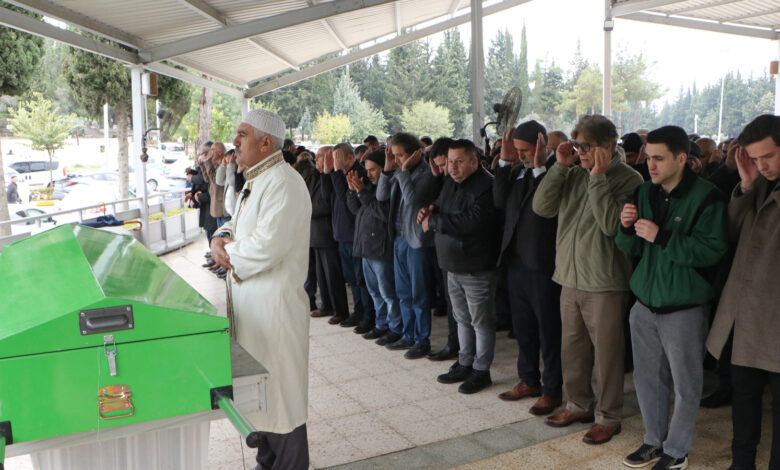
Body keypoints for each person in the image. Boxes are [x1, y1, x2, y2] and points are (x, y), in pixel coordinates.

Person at [616, 125, 727, 470]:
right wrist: (624, 227)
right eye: (648, 158)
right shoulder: (644, 192)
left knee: (685, 383)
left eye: (659, 158)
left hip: (683, 306)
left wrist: (663, 237)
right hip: (644, 304)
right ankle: (654, 440)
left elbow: (713, 251)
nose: (650, 165)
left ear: (682, 158)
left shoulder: (708, 197)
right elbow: (631, 246)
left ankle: (676, 450)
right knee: (646, 378)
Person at [210, 109, 311, 470]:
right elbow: (236, 225)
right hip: (254, 313)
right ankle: (266, 461)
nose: (234, 142)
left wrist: (225, 252)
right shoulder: (258, 180)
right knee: (260, 400)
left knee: (281, 402)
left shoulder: (284, 183)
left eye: (242, 134)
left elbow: (267, 246)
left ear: (266, 142)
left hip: (275, 313)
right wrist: (221, 236)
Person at [533, 114, 643, 445]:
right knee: (573, 349)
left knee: (607, 354)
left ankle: (608, 416)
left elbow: (612, 226)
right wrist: (560, 167)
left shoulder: (630, 179)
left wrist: (597, 177)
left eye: (587, 146)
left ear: (608, 146)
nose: (581, 151)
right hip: (569, 276)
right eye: (577, 145)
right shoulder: (572, 171)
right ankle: (578, 404)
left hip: (605, 281)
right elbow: (542, 208)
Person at [706, 114, 780, 470]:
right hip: (745, 315)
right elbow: (730, 234)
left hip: (775, 316)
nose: (762, 165)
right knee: (744, 399)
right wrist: (746, 184)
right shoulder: (760, 183)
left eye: (768, 157)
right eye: (755, 158)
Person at [420, 139, 500, 394]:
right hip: (452, 265)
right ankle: (465, 361)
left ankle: (481, 370)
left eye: (459, 162)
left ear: (474, 161)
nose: (452, 168)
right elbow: (442, 207)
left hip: (475, 266)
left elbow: (472, 222)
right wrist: (430, 211)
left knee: (481, 321)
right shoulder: (451, 183)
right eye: (450, 162)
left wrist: (434, 222)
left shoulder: (487, 185)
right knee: (462, 318)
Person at [493, 121, 562, 416]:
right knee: (523, 329)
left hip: (543, 266)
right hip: (516, 263)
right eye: (517, 151)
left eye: (524, 150)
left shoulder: (556, 171)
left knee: (549, 332)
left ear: (541, 146)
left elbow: (545, 207)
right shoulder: (518, 171)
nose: (521, 155)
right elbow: (499, 201)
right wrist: (505, 161)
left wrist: (538, 169)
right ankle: (529, 380)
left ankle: (552, 389)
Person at [376, 133, 439, 359]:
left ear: (415, 153)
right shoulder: (398, 172)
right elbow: (381, 195)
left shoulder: (426, 173)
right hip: (399, 238)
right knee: (403, 292)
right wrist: (387, 168)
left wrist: (403, 172)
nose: (397, 160)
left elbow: (413, 201)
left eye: (400, 155)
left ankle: (422, 340)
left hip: (417, 241)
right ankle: (408, 334)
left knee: (419, 293)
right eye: (394, 155)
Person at [345, 149, 403, 341]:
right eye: (367, 170)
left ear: (383, 168)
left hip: (381, 249)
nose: (368, 174)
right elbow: (355, 210)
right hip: (366, 249)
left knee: (388, 293)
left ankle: (395, 328)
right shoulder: (369, 187)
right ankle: (381, 324)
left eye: (372, 169)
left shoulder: (391, 186)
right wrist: (353, 191)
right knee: (374, 292)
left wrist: (362, 192)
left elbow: (384, 213)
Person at [322, 142, 374, 333]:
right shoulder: (337, 175)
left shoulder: (357, 173)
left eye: (337, 158)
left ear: (350, 158)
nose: (334, 162)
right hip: (342, 235)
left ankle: (369, 315)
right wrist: (327, 173)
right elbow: (327, 197)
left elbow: (347, 201)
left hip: (355, 236)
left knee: (361, 279)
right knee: (352, 279)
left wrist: (335, 174)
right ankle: (359, 312)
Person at [308, 147, 350, 322]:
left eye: (320, 157)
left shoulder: (334, 177)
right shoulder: (316, 177)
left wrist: (306, 210)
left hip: (328, 233)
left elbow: (326, 204)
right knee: (321, 274)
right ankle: (326, 305)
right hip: (315, 234)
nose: (317, 160)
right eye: (316, 157)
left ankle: (340, 310)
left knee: (333, 275)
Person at [201, 142, 229, 229]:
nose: (210, 152)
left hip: (223, 209)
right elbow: (207, 179)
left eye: (213, 150)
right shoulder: (216, 164)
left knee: (224, 235)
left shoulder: (224, 165)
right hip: (216, 208)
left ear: (220, 152)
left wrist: (207, 161)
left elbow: (215, 180)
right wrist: (203, 164)